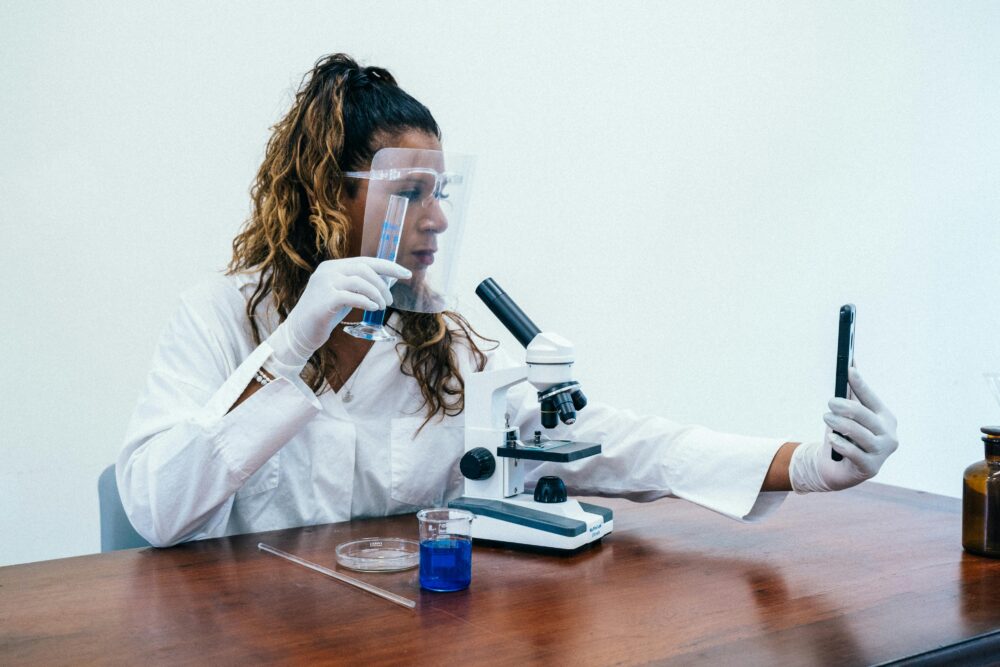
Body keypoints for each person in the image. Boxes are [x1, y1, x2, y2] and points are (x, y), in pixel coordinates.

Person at [118, 53, 899, 547]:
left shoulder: (440, 349)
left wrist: (799, 466)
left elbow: (608, 441)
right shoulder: (219, 320)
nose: (440, 218)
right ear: (329, 196)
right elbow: (156, 508)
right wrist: (288, 349)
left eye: (443, 191)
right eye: (411, 192)